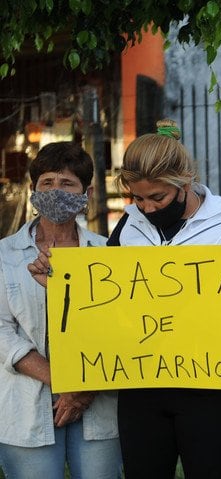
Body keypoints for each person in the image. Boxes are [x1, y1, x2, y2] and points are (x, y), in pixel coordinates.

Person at [108, 119, 221, 479]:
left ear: (184, 182)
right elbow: (109, 302)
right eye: (137, 198)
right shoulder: (127, 226)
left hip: (211, 387)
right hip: (141, 388)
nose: (148, 208)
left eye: (158, 197)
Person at [0, 142, 121, 478]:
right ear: (32, 190)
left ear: (87, 192)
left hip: (98, 405)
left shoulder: (108, 254)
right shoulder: (5, 254)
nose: (56, 191)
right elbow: (1, 331)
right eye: (47, 183)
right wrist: (62, 380)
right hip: (24, 406)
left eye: (67, 184)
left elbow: (121, 328)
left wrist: (84, 389)